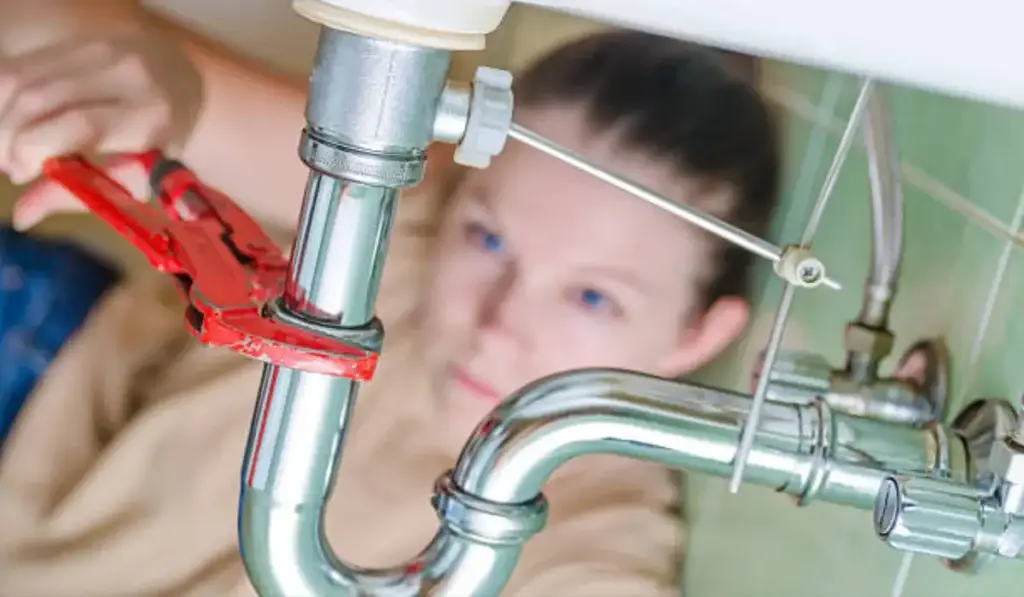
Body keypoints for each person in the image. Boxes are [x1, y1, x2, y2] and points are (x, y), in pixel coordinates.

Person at [0, 4, 781, 596]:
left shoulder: (597, 533)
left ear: (696, 336)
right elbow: (63, 28)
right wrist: (156, 75)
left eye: (590, 296)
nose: (496, 323)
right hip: (43, 385)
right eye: (491, 240)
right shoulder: (408, 220)